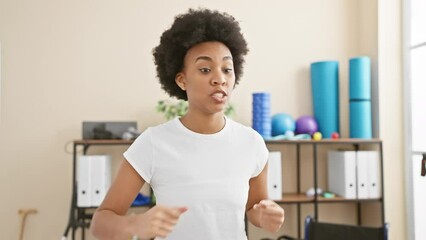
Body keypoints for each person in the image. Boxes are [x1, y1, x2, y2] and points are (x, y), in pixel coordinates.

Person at [90, 8, 285, 240]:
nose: (219, 78)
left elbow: (254, 207)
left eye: (227, 69)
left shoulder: (251, 142)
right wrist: (135, 225)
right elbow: (101, 222)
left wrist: (264, 215)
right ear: (182, 80)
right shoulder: (154, 142)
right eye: (205, 69)